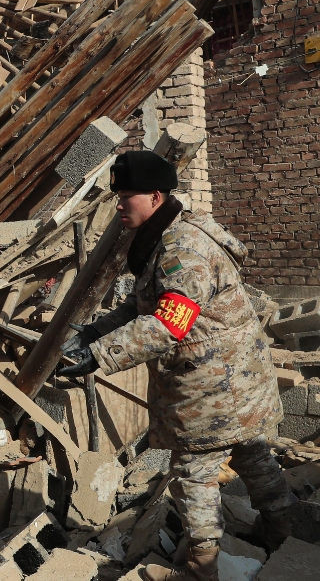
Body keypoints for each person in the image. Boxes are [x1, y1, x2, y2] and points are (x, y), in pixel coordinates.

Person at [56, 151, 295, 581]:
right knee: (253, 455)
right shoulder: (165, 235)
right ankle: (285, 534)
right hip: (232, 383)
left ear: (154, 195)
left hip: (213, 390)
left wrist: (101, 354)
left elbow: (168, 323)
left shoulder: (182, 249)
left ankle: (201, 569)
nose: (118, 205)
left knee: (193, 477)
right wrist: (93, 333)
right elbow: (141, 304)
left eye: (126, 196)